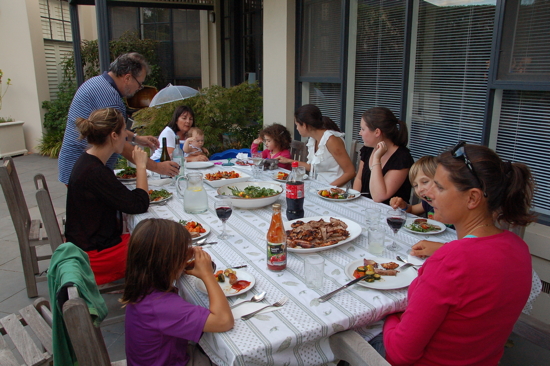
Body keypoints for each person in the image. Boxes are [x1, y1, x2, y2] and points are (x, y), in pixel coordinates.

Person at [383, 142, 535, 365]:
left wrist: (389, 317)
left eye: (440, 188)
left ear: (472, 198)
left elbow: (400, 354)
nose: (430, 195)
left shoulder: (451, 260)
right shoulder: (519, 248)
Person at [122, 218, 234, 366]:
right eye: (183, 250)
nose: (189, 251)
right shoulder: (160, 306)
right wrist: (207, 275)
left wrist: (182, 261)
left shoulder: (143, 285)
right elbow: (224, 321)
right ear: (167, 262)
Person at [58, 52, 179, 185]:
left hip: (76, 165)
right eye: (140, 84)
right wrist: (157, 167)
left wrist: (136, 138)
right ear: (127, 78)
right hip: (85, 169)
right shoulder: (111, 98)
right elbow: (120, 144)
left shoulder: (97, 82)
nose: (139, 89)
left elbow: (109, 130)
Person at [65, 108, 150, 285]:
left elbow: (124, 198)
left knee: (151, 236)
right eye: (123, 132)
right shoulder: (95, 172)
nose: (126, 137)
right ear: (113, 136)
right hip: (94, 257)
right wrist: (141, 166)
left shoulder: (88, 161)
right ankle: (148, 300)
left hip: (85, 246)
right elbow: (139, 204)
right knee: (161, 246)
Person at [277, 104, 355, 186]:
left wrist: (327, 189)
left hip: (335, 191)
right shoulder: (313, 139)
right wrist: (289, 161)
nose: (297, 128)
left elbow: (350, 172)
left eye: (297, 125)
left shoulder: (331, 140)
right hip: (319, 186)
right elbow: (314, 167)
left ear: (304, 125)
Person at [352, 107, 414, 205]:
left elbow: (379, 196)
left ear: (377, 132)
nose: (360, 133)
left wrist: (377, 159)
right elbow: (359, 179)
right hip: (364, 207)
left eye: (363, 129)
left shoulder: (401, 158)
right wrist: (353, 201)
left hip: (389, 213)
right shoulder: (368, 149)